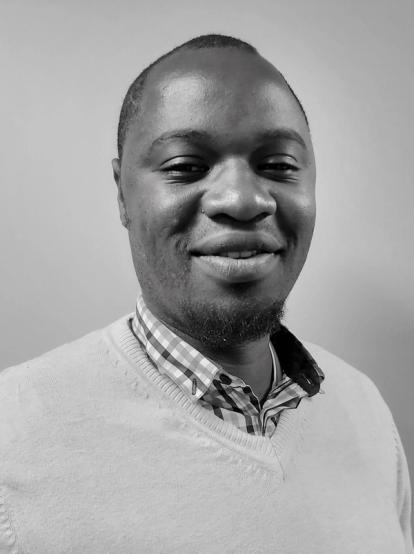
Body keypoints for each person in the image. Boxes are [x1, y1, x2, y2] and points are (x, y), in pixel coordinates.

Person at [0, 34, 412, 553]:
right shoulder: (14, 435)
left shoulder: (364, 410)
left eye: (279, 165)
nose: (241, 200)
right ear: (122, 193)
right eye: (185, 167)